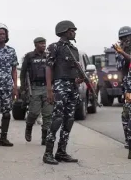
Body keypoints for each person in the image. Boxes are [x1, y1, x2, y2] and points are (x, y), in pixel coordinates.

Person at [43, 20, 82, 165]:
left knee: (69, 120)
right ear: (65, 31)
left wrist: (78, 79)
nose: (74, 32)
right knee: (57, 119)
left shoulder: (74, 49)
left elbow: (74, 70)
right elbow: (48, 67)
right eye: (72, 30)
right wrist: (49, 90)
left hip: (72, 86)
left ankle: (61, 151)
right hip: (60, 85)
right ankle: (48, 153)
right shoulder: (55, 47)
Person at [20, 37, 52, 145]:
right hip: (35, 87)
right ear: (36, 45)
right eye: (41, 43)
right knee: (34, 112)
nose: (43, 45)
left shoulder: (48, 56)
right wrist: (22, 88)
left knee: (48, 114)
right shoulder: (29, 56)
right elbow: (23, 73)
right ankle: (29, 127)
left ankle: (45, 137)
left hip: (47, 87)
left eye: (44, 43)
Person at [113, 26, 131, 158]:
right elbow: (120, 68)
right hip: (127, 87)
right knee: (126, 115)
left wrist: (123, 53)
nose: (126, 40)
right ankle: (128, 140)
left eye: (128, 37)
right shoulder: (119, 51)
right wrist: (121, 53)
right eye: (124, 38)